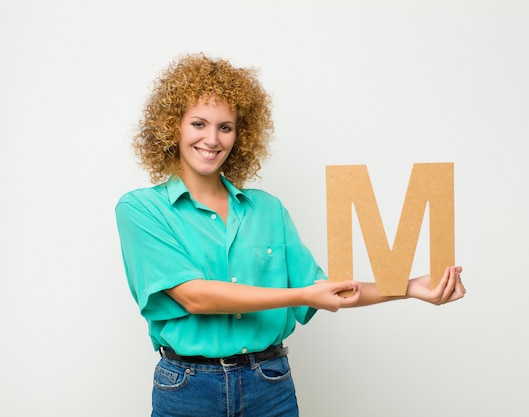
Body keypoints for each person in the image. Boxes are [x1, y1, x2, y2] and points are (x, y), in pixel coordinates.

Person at [115, 53, 466, 417]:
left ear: (240, 134)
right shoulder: (141, 209)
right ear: (174, 127)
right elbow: (195, 297)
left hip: (268, 384)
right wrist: (302, 294)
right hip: (188, 389)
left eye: (225, 127)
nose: (212, 139)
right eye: (199, 123)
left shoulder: (268, 210)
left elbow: (326, 289)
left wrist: (410, 287)